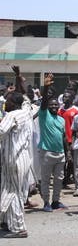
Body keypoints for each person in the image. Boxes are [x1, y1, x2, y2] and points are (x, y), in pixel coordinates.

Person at [0, 91, 34, 238]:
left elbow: (1, 131)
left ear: (13, 103)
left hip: (13, 159)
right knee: (16, 191)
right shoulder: (26, 112)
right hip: (24, 159)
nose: (5, 103)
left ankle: (19, 228)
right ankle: (10, 222)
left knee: (12, 192)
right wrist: (19, 77)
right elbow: (26, 101)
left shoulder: (12, 115)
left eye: (7, 101)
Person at [38, 74, 68, 213]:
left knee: (58, 180)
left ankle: (55, 201)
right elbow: (44, 102)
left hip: (60, 153)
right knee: (45, 180)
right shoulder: (44, 115)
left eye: (56, 104)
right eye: (52, 105)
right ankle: (46, 202)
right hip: (46, 152)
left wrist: (67, 154)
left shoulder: (61, 119)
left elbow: (63, 138)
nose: (54, 106)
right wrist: (47, 87)